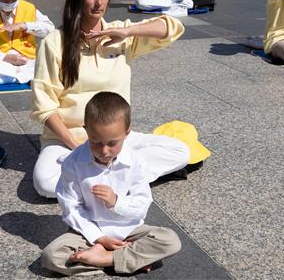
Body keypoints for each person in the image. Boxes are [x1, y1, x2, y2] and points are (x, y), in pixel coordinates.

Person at [31, 0, 189, 198]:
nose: (99, 3)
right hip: (70, 140)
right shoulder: (55, 43)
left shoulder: (120, 34)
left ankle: (103, 179)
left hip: (116, 140)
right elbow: (44, 108)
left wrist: (128, 32)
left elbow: (173, 28)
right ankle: (120, 177)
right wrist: (79, 149)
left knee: (180, 152)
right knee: (44, 183)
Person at [41, 92, 181, 276]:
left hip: (129, 230)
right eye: (96, 142)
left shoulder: (135, 162)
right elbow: (71, 208)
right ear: (86, 130)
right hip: (88, 234)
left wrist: (117, 202)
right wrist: (99, 238)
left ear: (127, 133)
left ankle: (105, 259)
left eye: (112, 143)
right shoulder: (72, 163)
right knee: (52, 256)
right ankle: (131, 260)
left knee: (169, 240)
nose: (104, 151)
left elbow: (142, 204)